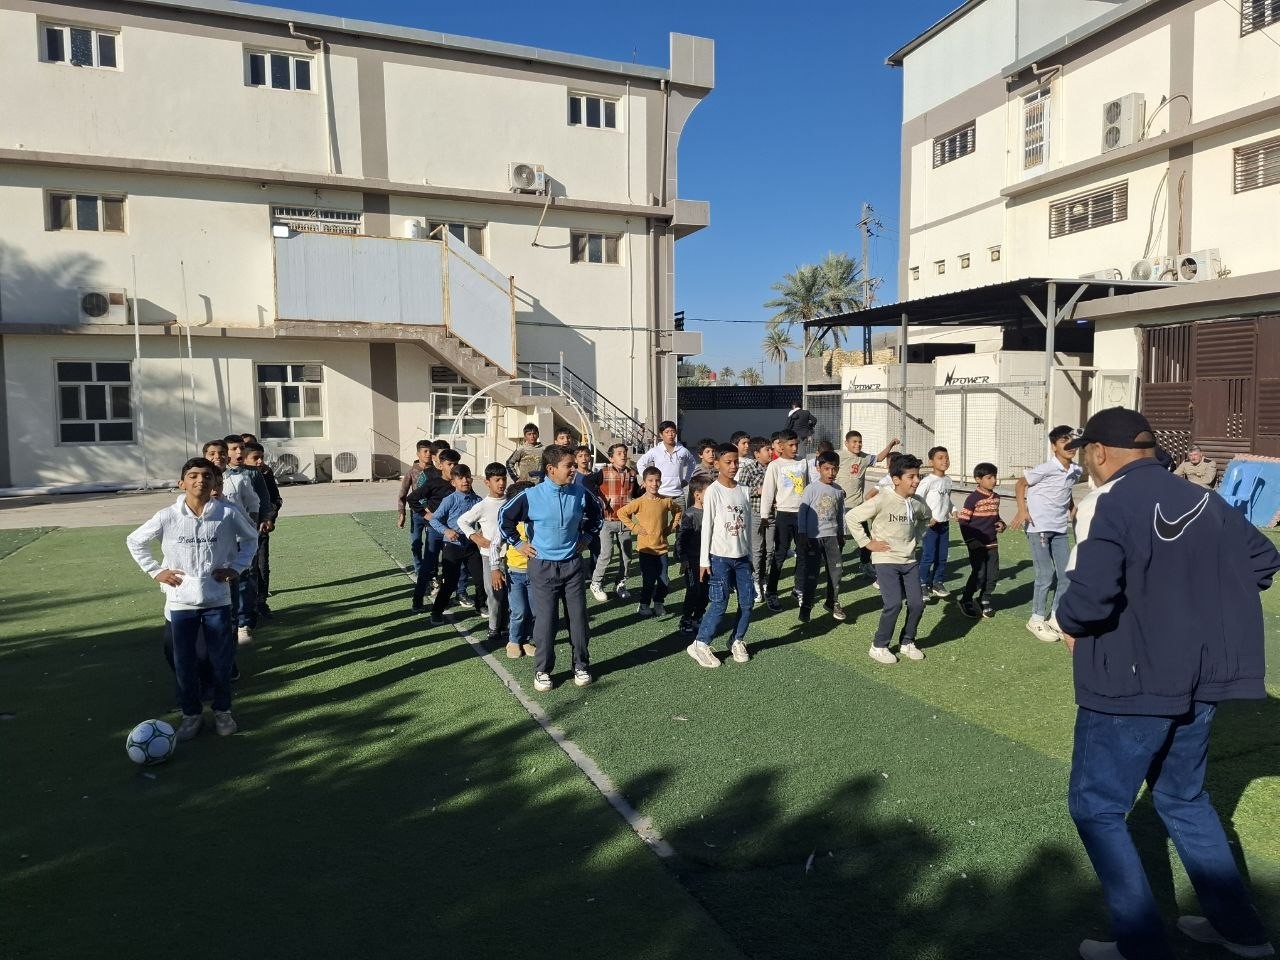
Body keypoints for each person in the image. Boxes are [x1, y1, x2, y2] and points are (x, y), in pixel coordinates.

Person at [1054, 407, 1278, 960]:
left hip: (1130, 682)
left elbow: (1089, 600)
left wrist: (1067, 621)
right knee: (1184, 798)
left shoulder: (1109, 501)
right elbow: (1263, 559)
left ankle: (1141, 945)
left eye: (1085, 454)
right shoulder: (1204, 498)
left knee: (1097, 807)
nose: (1085, 465)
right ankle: (1243, 934)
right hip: (1200, 681)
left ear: (1098, 452)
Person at [126, 458, 259, 740]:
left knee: (220, 661)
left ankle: (223, 712)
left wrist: (236, 568)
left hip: (217, 600)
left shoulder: (227, 513)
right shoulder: (167, 516)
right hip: (180, 602)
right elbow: (135, 540)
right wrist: (156, 571)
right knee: (184, 662)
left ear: (214, 482)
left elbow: (251, 539)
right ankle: (191, 715)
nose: (200, 480)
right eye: (194, 475)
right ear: (182, 483)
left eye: (207, 476)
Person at [498, 445, 602, 691]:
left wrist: (587, 538)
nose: (574, 469)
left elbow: (597, 515)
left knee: (578, 620)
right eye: (569, 466)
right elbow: (504, 518)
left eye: (574, 465)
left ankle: (581, 665)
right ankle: (543, 670)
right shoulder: (531, 496)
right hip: (542, 567)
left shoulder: (580, 492)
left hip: (573, 565)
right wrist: (518, 544)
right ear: (551, 469)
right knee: (545, 622)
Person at [846, 453, 931, 665]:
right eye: (911, 476)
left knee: (917, 604)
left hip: (909, 560)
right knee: (893, 604)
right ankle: (879, 646)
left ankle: (907, 642)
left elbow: (926, 517)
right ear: (896, 479)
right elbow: (852, 517)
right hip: (885, 559)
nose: (916, 480)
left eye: (918, 476)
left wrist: (916, 537)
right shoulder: (883, 498)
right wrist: (867, 543)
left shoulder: (917, 502)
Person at [1010, 425, 1082, 643]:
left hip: (1060, 528)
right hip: (1039, 526)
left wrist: (1073, 511)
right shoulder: (1046, 468)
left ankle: (1056, 617)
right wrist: (1022, 510)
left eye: (1072, 441)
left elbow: (1065, 492)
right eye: (1063, 441)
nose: (1070, 445)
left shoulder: (1076, 470)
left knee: (1066, 574)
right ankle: (1036, 618)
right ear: (1053, 447)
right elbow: (1020, 484)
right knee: (1045, 574)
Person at [689, 443, 754, 668]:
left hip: (743, 558)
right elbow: (707, 526)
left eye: (736, 462)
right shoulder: (713, 491)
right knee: (719, 603)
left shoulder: (744, 490)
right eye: (728, 462)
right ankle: (700, 644)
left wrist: (750, 556)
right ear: (717, 464)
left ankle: (737, 640)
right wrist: (704, 561)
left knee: (747, 602)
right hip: (719, 558)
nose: (733, 466)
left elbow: (748, 526)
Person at [223, 434, 272, 646]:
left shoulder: (251, 474)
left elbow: (262, 498)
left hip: (246, 533)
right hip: (220, 536)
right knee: (223, 578)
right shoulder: (214, 473)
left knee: (246, 575)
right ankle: (226, 619)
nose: (239, 452)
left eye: (241, 448)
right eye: (234, 448)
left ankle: (244, 622)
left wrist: (264, 518)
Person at [617, 466, 682, 619]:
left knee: (664, 580)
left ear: (661, 482)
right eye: (650, 481)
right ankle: (644, 604)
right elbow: (621, 513)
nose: (654, 484)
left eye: (657, 480)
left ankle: (658, 602)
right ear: (644, 483)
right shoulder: (639, 502)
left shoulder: (666, 501)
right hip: (645, 549)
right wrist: (635, 527)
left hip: (662, 549)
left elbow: (678, 510)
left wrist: (671, 526)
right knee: (649, 580)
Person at [458, 463, 509, 644]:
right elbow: (462, 521)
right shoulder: (483, 505)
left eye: (504, 479)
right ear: (487, 482)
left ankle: (506, 626)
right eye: (497, 480)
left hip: (511, 556)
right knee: (493, 594)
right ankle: (493, 628)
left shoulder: (511, 501)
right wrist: (475, 537)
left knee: (510, 593)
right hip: (489, 557)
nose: (501, 483)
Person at [426, 464, 483, 625]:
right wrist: (446, 531)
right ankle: (437, 612)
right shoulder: (449, 500)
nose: (465, 481)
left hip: (470, 545)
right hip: (452, 546)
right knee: (450, 582)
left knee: (481, 578)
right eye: (460, 478)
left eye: (468, 477)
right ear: (453, 482)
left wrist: (481, 532)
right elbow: (434, 520)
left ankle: (481, 605)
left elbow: (483, 520)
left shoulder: (478, 500)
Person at [837, 431, 899, 578]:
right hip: (840, 506)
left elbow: (879, 458)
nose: (857, 444)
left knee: (865, 537)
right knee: (839, 538)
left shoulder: (864, 458)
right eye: (854, 442)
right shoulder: (839, 456)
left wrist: (890, 444)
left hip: (858, 506)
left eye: (860, 442)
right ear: (846, 443)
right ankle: (836, 565)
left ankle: (865, 564)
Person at [759, 429, 807, 611]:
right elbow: (768, 492)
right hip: (784, 515)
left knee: (803, 553)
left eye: (796, 444)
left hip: (802, 515)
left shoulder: (803, 462)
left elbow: (808, 487)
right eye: (791, 445)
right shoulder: (775, 466)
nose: (795, 448)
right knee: (779, 554)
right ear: (781, 445)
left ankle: (799, 588)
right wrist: (764, 516)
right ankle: (771, 592)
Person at [490, 482, 537, 660]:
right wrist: (495, 568)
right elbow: (495, 545)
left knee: (534, 611)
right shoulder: (509, 523)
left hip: (536, 574)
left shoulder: (537, 521)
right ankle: (514, 641)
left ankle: (526, 640)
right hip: (515, 573)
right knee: (519, 611)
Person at [797, 450, 846, 622]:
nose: (831, 473)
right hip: (813, 538)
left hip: (832, 537)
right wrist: (802, 533)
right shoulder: (811, 489)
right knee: (812, 574)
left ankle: (832, 602)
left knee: (836, 572)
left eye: (834, 469)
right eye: (826, 469)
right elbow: (802, 512)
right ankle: (806, 607)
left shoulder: (838, 491)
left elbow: (840, 514)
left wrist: (841, 533)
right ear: (819, 468)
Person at [588, 443, 638, 602]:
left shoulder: (632, 473)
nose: (623, 455)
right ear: (611, 458)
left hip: (625, 521)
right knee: (606, 553)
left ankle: (620, 583)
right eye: (619, 453)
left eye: (624, 453)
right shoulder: (603, 472)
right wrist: (599, 497)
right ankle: (596, 583)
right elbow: (587, 482)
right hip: (607, 521)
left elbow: (636, 493)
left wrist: (644, 488)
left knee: (626, 556)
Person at [956, 462, 1004, 619]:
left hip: (992, 543)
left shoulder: (996, 498)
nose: (993, 480)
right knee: (979, 574)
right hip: (976, 544)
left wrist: (1001, 524)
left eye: (994, 477)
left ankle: (984, 599)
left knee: (993, 574)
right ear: (978, 479)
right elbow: (963, 521)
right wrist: (971, 541)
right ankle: (966, 599)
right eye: (989, 477)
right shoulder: (973, 499)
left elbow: (995, 517)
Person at [242, 442, 282, 618]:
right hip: (239, 532)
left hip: (260, 530)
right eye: (255, 458)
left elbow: (275, 499)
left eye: (261, 457)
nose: (260, 461)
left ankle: (261, 602)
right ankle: (244, 607)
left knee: (261, 565)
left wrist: (269, 518)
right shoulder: (232, 476)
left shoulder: (266, 474)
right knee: (246, 568)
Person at [737, 436, 773, 604]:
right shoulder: (749, 468)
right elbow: (741, 490)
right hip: (756, 513)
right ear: (757, 454)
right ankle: (756, 581)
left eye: (771, 449)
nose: (771, 452)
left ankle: (764, 578)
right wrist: (757, 490)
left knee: (770, 550)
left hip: (773, 513)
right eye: (767, 450)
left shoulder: (774, 467)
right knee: (757, 550)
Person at [916, 446, 954, 599]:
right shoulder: (927, 481)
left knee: (942, 556)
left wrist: (954, 510)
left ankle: (937, 582)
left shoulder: (948, 480)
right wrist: (927, 517)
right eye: (940, 458)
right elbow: (917, 500)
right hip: (930, 525)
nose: (945, 461)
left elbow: (947, 500)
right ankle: (922, 584)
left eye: (947, 458)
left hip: (944, 524)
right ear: (931, 462)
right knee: (928, 556)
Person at [678, 476, 711, 633]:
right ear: (697, 495)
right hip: (692, 560)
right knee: (693, 590)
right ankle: (685, 619)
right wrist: (683, 558)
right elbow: (681, 538)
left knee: (706, 591)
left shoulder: (712, 512)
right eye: (709, 493)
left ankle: (698, 616)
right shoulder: (690, 514)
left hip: (708, 560)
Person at [398, 440, 435, 574]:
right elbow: (403, 494)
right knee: (416, 543)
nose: (428, 454)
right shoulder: (412, 472)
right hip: (417, 513)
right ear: (418, 453)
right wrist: (402, 513)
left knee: (432, 544)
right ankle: (419, 569)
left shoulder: (437, 471)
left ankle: (431, 571)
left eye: (430, 451)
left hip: (433, 513)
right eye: (425, 451)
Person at [636, 421, 697, 500]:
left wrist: (687, 479)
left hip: (678, 495)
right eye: (667, 432)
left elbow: (692, 463)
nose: (670, 435)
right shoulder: (655, 451)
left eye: (673, 431)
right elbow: (640, 463)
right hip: (660, 494)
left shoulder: (682, 450)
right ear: (661, 435)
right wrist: (646, 479)